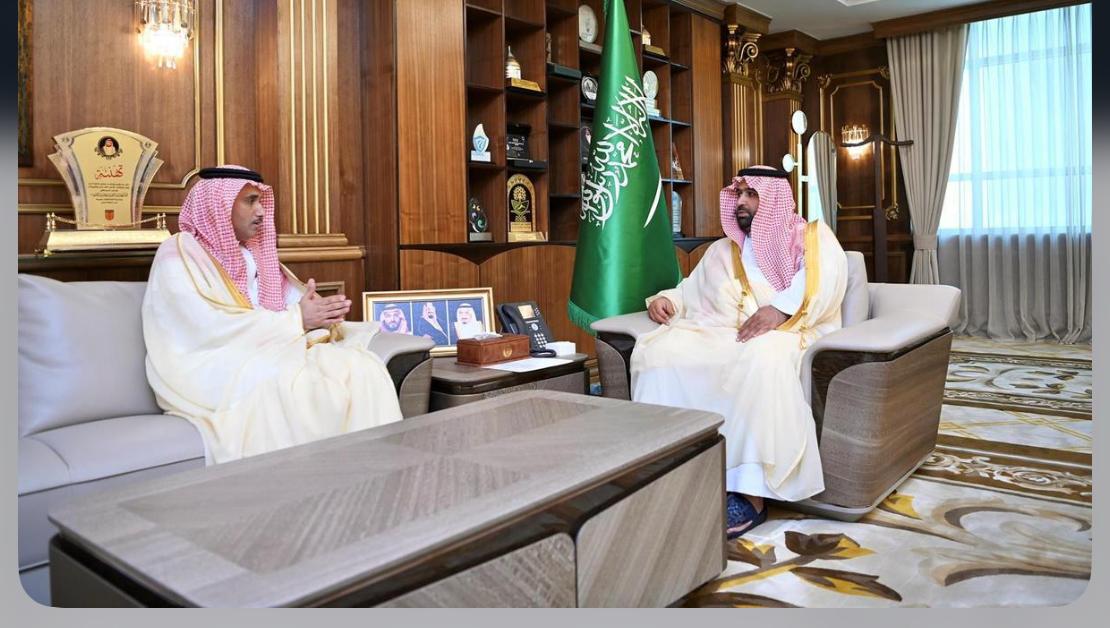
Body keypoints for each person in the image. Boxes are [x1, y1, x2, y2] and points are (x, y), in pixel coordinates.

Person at [630, 165, 847, 539]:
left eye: (751, 194)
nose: (741, 202)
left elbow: (823, 280)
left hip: (787, 332)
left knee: (760, 357)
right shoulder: (722, 249)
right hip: (727, 333)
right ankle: (669, 471)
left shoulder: (811, 237)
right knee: (658, 353)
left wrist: (780, 309)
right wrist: (667, 300)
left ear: (774, 198)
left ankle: (750, 495)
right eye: (738, 194)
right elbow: (691, 289)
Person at [142, 165, 404, 464]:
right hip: (207, 362)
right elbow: (202, 327)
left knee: (360, 366)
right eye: (250, 201)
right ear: (218, 205)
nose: (261, 211)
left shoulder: (254, 253)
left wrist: (320, 313)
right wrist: (297, 319)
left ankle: (369, 471)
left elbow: (288, 303)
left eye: (260, 201)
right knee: (294, 382)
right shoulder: (179, 252)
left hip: (261, 349)